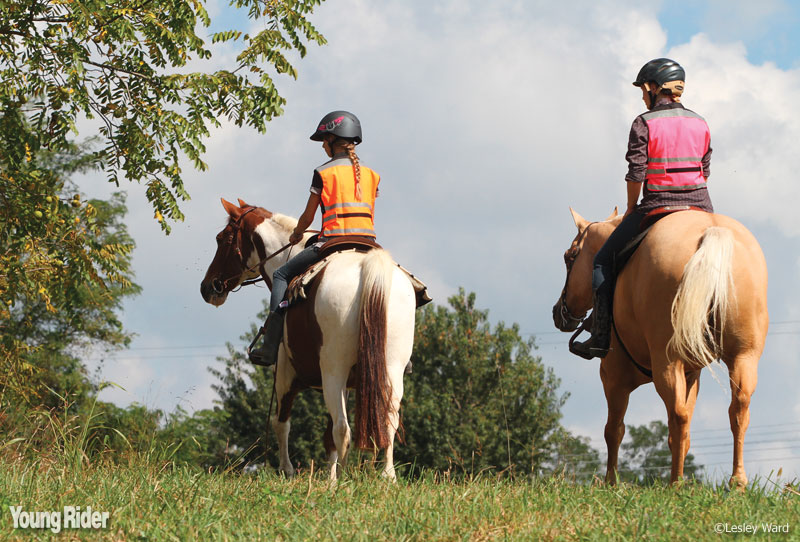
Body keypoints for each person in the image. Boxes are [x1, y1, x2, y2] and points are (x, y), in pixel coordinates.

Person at [571, 58, 713, 360]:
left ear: (651, 88)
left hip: (657, 206)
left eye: (642, 91)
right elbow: (706, 169)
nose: (642, 97)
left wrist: (632, 206)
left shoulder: (644, 123)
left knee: (601, 261)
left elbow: (636, 173)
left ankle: (599, 337)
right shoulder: (700, 122)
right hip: (701, 208)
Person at [248, 110, 381, 366]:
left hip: (332, 242)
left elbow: (308, 217)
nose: (322, 146)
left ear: (333, 140)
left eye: (324, 140)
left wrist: (297, 233)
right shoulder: (372, 175)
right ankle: (404, 358)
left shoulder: (323, 173)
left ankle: (270, 344)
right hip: (370, 245)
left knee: (280, 275)